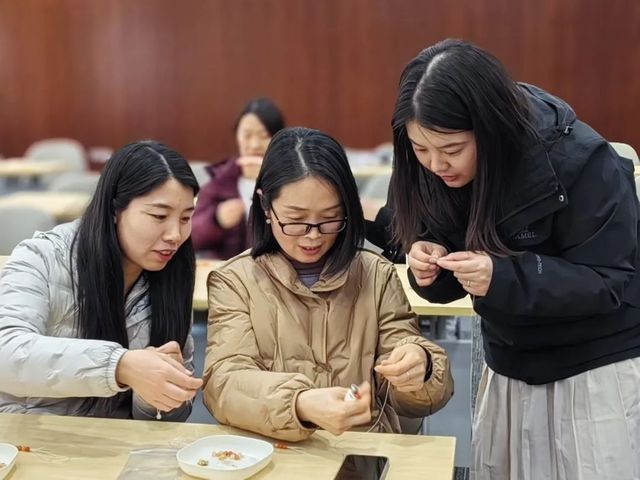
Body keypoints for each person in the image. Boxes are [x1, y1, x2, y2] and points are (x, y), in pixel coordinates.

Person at [386, 39, 640, 479]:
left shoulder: (581, 160)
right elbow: (446, 245)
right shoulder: (428, 167)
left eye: (452, 150)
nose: (436, 164)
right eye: (421, 149)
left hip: (593, 366)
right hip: (509, 363)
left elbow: (608, 281)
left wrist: (501, 277)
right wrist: (430, 261)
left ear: (489, 128)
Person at [202, 127, 453, 442]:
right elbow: (224, 383)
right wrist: (298, 404)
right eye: (296, 220)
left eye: (330, 218)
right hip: (271, 455)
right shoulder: (235, 280)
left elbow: (414, 390)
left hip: (361, 453)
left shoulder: (376, 274)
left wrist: (420, 367)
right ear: (266, 206)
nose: (313, 236)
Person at [0, 141, 203, 420]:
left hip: (111, 441)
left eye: (186, 218)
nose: (175, 235)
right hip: (26, 434)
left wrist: (154, 397)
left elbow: (170, 420)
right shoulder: (43, 257)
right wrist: (119, 366)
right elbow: (6, 352)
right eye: (159, 216)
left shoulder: (174, 273)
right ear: (114, 209)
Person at [191, 97, 285, 259]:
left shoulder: (291, 179)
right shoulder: (220, 179)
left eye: (264, 136)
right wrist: (216, 220)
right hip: (227, 269)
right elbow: (191, 236)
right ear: (237, 136)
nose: (255, 145)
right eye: (247, 135)